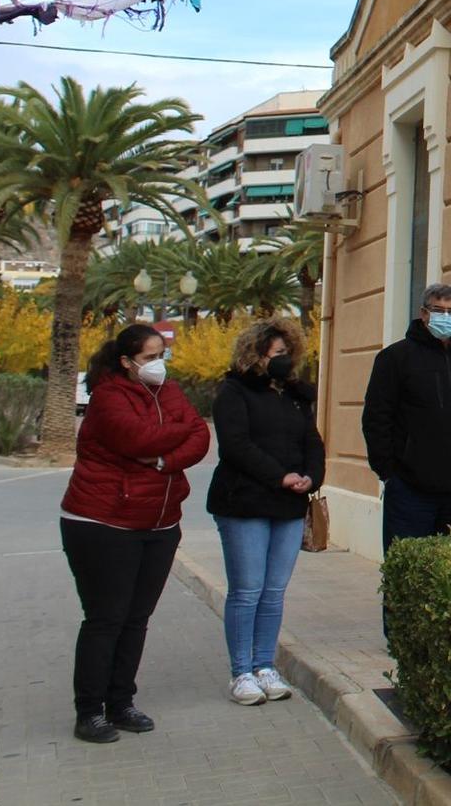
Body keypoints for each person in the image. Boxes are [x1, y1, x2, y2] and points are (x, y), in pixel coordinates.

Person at [59, 324, 211, 743]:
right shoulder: (108, 397)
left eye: (162, 354)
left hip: (160, 523)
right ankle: (89, 712)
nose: (158, 364)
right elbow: (137, 437)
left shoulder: (171, 391)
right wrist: (174, 436)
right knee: (106, 619)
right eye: (149, 357)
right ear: (126, 362)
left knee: (136, 619)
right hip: (104, 523)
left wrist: (162, 462)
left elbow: (200, 435)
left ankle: (121, 702)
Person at [207, 318, 324, 706]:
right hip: (245, 503)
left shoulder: (294, 395)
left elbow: (312, 441)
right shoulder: (233, 392)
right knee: (247, 590)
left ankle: (264, 665)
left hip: (288, 505)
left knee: (274, 592)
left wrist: (311, 477)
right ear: (256, 355)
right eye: (277, 354)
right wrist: (280, 477)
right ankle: (241, 672)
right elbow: (236, 446)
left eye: (287, 353)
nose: (284, 361)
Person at [361, 283, 451, 556]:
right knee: (407, 569)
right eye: (439, 310)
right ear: (424, 313)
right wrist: (389, 471)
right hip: (410, 490)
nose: (446, 317)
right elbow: (377, 418)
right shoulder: (395, 358)